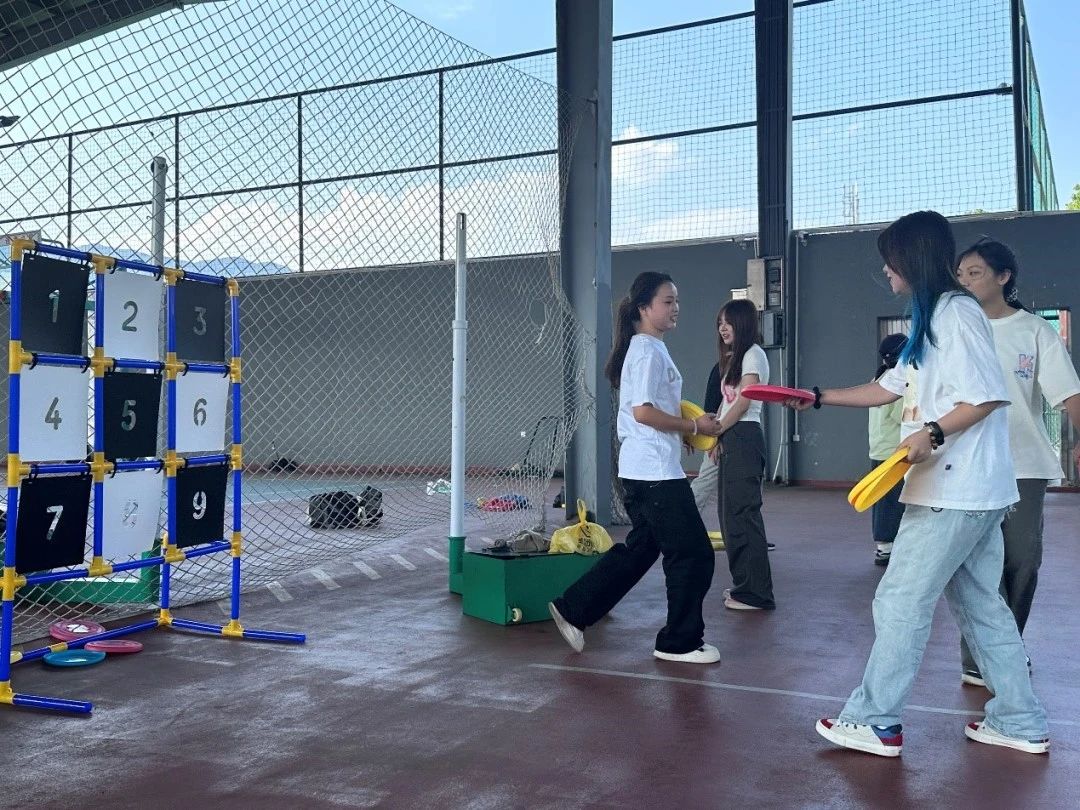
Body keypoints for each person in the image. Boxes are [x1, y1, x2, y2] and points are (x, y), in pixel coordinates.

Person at [785, 211, 1049, 756]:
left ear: (912, 258)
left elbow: (985, 396)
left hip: (956, 492)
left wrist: (931, 432)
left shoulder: (955, 314)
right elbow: (888, 388)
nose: (886, 270)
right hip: (969, 493)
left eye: (890, 261)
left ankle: (875, 720)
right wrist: (816, 396)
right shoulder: (932, 317)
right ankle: (1020, 720)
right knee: (983, 608)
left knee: (900, 600)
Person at [548, 271, 723, 664]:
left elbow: (651, 411)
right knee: (693, 554)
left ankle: (574, 608)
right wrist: (694, 427)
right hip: (655, 475)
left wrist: (682, 432)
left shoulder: (650, 349)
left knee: (642, 549)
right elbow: (643, 412)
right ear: (644, 307)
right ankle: (678, 642)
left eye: (676, 301)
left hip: (646, 469)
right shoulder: (646, 352)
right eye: (667, 301)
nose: (676, 308)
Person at [954, 238, 1080, 687]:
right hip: (966, 464)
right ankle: (980, 656)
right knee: (976, 564)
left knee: (1022, 560)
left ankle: (1007, 645)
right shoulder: (953, 329)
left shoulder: (1034, 331)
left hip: (1023, 463)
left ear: (1003, 277)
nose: (966, 283)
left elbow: (1068, 392)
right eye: (960, 275)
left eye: (975, 273)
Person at [712, 299, 774, 610]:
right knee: (730, 515)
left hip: (745, 436)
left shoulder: (753, 354)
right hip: (733, 436)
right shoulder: (735, 358)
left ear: (744, 323)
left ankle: (756, 593)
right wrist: (716, 436)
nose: (723, 328)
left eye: (729, 322)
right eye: (720, 323)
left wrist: (718, 429)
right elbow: (728, 402)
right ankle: (744, 586)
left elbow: (744, 401)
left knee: (743, 514)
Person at [867, 334, 907, 566]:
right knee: (892, 502)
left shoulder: (878, 378)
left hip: (878, 449)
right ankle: (887, 547)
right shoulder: (897, 383)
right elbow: (902, 416)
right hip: (893, 452)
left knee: (882, 500)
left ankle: (885, 545)